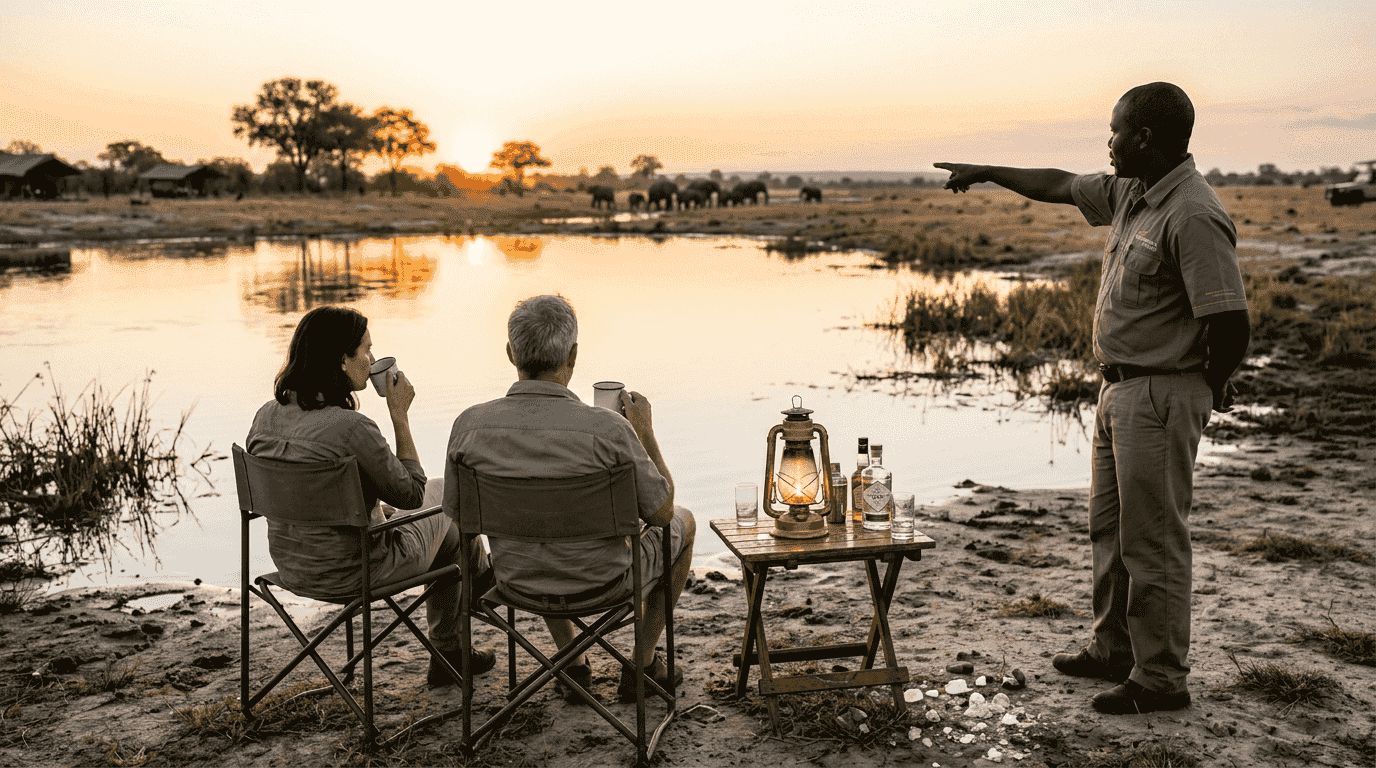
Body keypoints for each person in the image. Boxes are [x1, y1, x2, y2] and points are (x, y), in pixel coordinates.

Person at [936, 82, 1250, 715]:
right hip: (1119, 389)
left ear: (1144, 138)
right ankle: (1114, 649)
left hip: (1159, 394)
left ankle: (1160, 679)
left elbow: (1231, 321)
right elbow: (1057, 183)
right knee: (1110, 530)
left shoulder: (1191, 212)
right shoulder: (1135, 192)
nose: (1106, 143)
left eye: (1115, 132)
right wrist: (989, 171)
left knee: (1154, 539)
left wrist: (1209, 384)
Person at [443, 294, 696, 704]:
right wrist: (645, 432)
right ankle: (642, 664)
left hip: (517, 581)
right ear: (574, 355)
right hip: (607, 584)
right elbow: (662, 512)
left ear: (510, 353)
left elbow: (459, 520)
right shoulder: (609, 430)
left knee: (534, 531)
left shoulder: (468, 426)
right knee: (685, 522)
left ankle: (572, 663)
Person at [245, 305, 495, 687]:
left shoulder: (265, 417)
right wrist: (400, 415)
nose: (373, 360)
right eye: (365, 350)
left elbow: (304, 494)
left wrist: (373, 507)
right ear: (342, 361)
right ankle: (471, 607)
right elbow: (411, 495)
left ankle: (465, 614)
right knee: (447, 496)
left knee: (443, 527)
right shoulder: (352, 428)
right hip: (359, 570)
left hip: (295, 567)